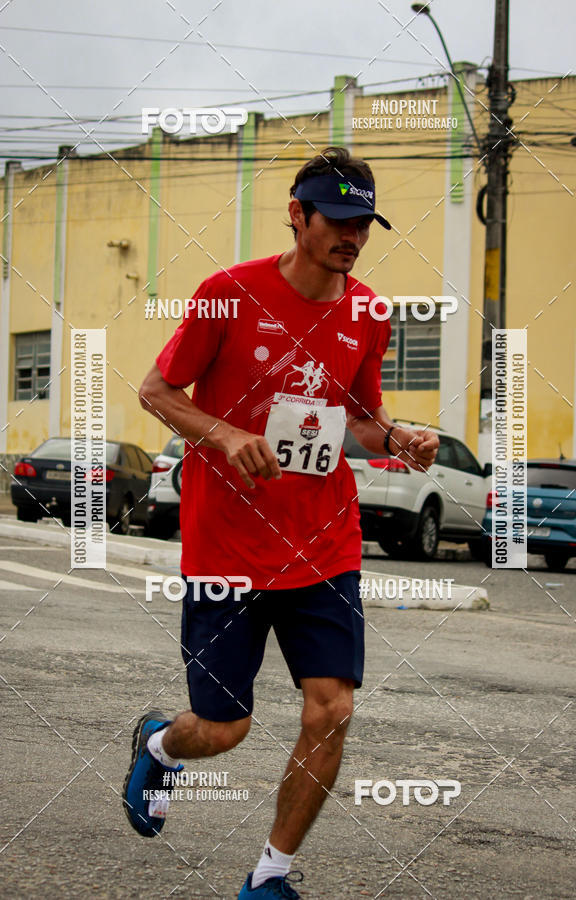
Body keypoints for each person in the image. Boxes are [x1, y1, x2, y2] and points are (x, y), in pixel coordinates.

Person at [123, 146, 439, 898]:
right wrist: (225, 435)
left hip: (324, 542)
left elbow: (361, 419)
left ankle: (270, 875)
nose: (352, 237)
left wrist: (399, 439)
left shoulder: (368, 313)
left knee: (332, 707)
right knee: (223, 727)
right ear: (297, 215)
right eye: (338, 220)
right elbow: (156, 390)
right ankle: (161, 745)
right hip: (226, 546)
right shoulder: (226, 293)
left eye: (364, 224)